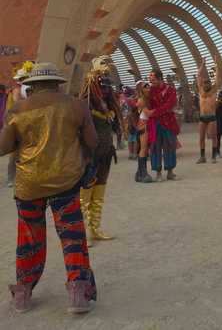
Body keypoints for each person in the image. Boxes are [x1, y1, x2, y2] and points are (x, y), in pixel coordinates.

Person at [0, 62, 98, 314]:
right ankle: (77, 291)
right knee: (72, 237)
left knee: (29, 239)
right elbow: (93, 141)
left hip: (28, 185)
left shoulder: (18, 109)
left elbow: (4, 147)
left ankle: (23, 293)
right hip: (65, 183)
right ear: (57, 82)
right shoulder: (76, 105)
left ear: (32, 85)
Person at [79, 56, 124, 245]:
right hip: (90, 153)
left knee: (100, 190)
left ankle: (95, 228)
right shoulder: (87, 102)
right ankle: (82, 233)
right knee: (86, 191)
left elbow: (114, 119)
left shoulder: (109, 107)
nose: (105, 90)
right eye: (102, 83)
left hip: (106, 151)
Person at [145, 69, 180, 181]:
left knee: (170, 147)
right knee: (155, 148)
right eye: (150, 79)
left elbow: (169, 105)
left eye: (153, 79)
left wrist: (153, 112)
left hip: (168, 123)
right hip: (155, 124)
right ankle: (158, 173)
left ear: (160, 78)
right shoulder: (149, 91)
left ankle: (170, 172)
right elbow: (146, 104)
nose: (151, 81)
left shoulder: (171, 90)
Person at [196, 60, 220, 164]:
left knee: (213, 136)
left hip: (211, 117)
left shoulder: (214, 90)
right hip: (202, 117)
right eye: (205, 82)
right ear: (202, 84)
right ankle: (202, 157)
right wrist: (202, 64)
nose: (206, 84)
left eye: (208, 82)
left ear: (210, 84)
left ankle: (214, 156)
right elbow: (198, 75)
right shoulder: (201, 91)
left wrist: (216, 65)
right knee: (201, 137)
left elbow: (218, 78)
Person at [133, 82, 154, 183]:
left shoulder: (148, 99)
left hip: (148, 125)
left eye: (149, 88)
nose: (148, 89)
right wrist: (161, 110)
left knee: (145, 149)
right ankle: (143, 173)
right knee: (144, 149)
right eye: (146, 88)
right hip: (144, 125)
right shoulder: (142, 100)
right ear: (142, 90)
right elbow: (148, 113)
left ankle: (139, 173)